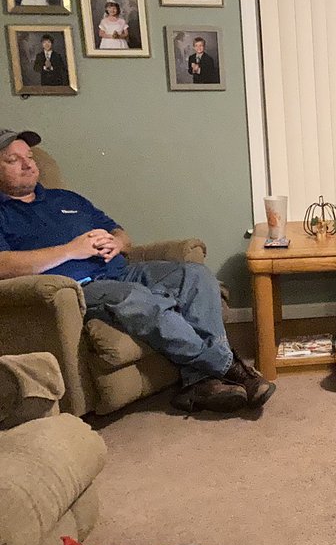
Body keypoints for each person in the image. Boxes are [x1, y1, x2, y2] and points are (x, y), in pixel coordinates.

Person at [0, 129, 274, 412]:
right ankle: (230, 367)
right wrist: (71, 250)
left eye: (29, 157)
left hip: (123, 271)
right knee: (139, 298)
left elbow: (122, 234)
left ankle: (200, 382)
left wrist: (116, 242)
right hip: (79, 287)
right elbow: (3, 265)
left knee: (196, 276)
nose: (28, 164)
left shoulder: (67, 199)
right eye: (13, 160)